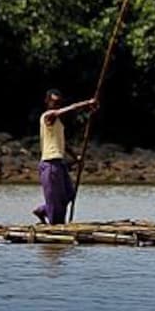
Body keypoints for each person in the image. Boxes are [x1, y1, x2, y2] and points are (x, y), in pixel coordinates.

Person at [33, 89, 98, 225]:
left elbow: (64, 144)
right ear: (47, 102)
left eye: (58, 103)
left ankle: (43, 210)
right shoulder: (48, 116)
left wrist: (76, 158)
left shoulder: (58, 124)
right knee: (56, 206)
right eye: (54, 102)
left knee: (69, 195)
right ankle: (54, 230)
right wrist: (88, 103)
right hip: (50, 164)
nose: (56, 106)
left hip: (59, 163)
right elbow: (71, 109)